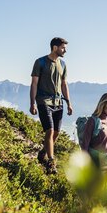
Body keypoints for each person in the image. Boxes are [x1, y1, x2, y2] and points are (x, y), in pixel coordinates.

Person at [30, 37, 73, 174]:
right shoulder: (40, 62)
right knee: (49, 131)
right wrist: (32, 103)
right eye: (63, 48)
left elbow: (64, 84)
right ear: (55, 47)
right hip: (43, 101)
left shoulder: (63, 64)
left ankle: (43, 151)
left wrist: (69, 102)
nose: (65, 50)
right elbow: (34, 84)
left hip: (58, 103)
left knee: (56, 133)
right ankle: (51, 162)